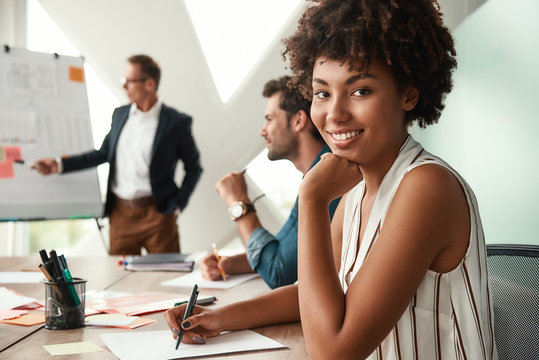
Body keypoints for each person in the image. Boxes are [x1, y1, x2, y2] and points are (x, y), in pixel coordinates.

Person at [165, 1, 497, 359]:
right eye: (322, 93)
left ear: (408, 94)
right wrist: (215, 317)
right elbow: (309, 296)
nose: (334, 114)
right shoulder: (357, 189)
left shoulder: (426, 186)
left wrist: (311, 198)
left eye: (360, 91)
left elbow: (331, 352)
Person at [34, 55, 202, 255]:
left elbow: (194, 168)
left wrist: (177, 205)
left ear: (149, 84)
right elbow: (103, 153)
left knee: (165, 275)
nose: (124, 86)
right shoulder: (120, 115)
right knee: (119, 278)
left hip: (158, 215)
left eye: (129, 81)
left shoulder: (176, 122)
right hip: (121, 214)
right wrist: (59, 165)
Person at [200, 76, 340, 289]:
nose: (262, 130)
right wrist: (228, 264)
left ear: (298, 121)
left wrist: (240, 204)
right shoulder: (315, 173)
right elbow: (282, 249)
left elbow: (278, 272)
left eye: (269, 119)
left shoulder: (330, 178)